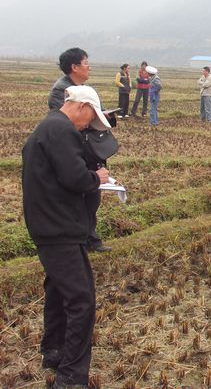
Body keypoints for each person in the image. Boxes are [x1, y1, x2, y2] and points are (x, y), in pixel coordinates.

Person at [22, 85, 110, 388]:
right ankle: (71, 374)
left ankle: (54, 351)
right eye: (90, 119)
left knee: (59, 290)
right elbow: (74, 177)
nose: (88, 125)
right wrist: (96, 179)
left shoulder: (49, 127)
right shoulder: (61, 130)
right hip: (59, 227)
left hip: (49, 223)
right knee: (81, 299)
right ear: (82, 107)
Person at [48, 48, 112, 253]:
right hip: (76, 149)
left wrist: (104, 117)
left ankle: (90, 238)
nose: (89, 66)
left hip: (90, 149)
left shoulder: (85, 88)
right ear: (74, 67)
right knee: (78, 195)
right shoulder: (62, 91)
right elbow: (72, 121)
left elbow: (91, 118)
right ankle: (78, 241)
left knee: (92, 196)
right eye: (85, 62)